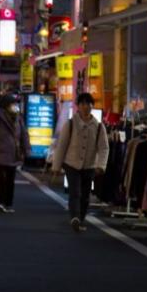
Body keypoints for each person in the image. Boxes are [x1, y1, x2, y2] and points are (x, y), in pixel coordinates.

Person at [51, 93, 110, 232]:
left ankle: (81, 218)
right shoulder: (70, 124)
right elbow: (62, 145)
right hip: (71, 164)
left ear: (92, 106)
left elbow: (104, 148)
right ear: (78, 106)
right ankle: (75, 217)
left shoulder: (99, 126)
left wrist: (101, 165)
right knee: (75, 192)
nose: (85, 107)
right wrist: (56, 166)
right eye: (82, 104)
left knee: (85, 195)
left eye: (88, 104)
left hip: (89, 165)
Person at [0, 94, 31, 213]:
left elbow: (24, 133)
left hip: (13, 152)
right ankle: (1, 203)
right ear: (5, 106)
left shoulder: (18, 117)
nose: (15, 106)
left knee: (10, 178)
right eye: (12, 104)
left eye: (15, 104)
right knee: (2, 178)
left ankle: (8, 203)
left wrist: (26, 148)